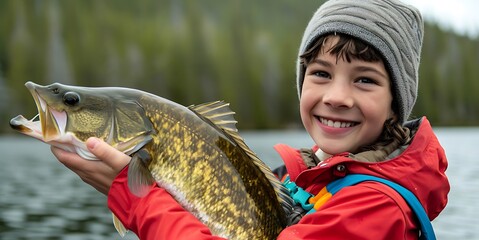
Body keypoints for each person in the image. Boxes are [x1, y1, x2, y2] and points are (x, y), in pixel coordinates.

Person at [52, 0, 450, 239]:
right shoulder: (298, 177)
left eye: (365, 80)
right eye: (321, 73)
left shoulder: (376, 207)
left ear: (396, 104)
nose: (336, 97)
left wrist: (134, 198)